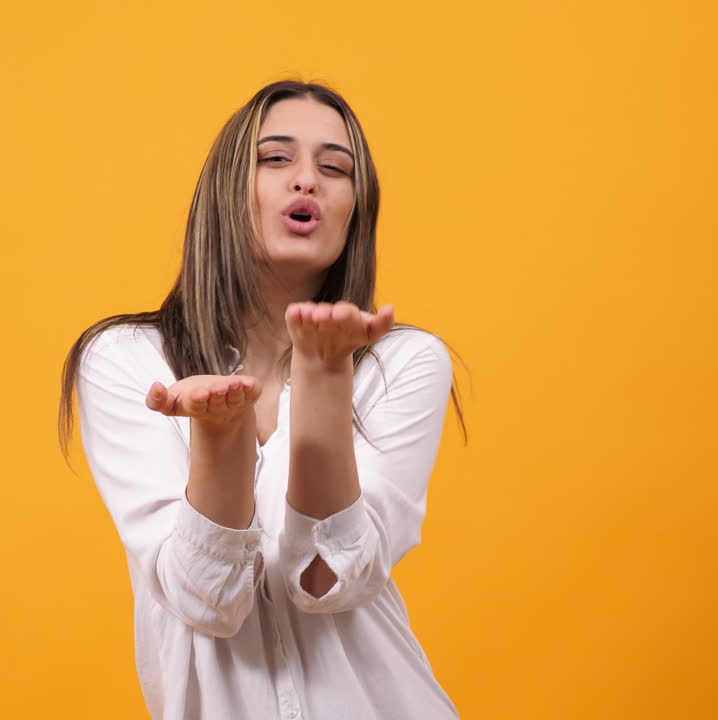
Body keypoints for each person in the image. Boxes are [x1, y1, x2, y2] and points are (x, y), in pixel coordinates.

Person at [57, 80, 468, 720]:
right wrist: (220, 435)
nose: (307, 180)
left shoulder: (404, 363)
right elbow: (207, 601)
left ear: (355, 212)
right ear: (227, 191)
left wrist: (326, 379)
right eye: (276, 159)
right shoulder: (124, 359)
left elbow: (329, 581)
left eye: (335, 168)